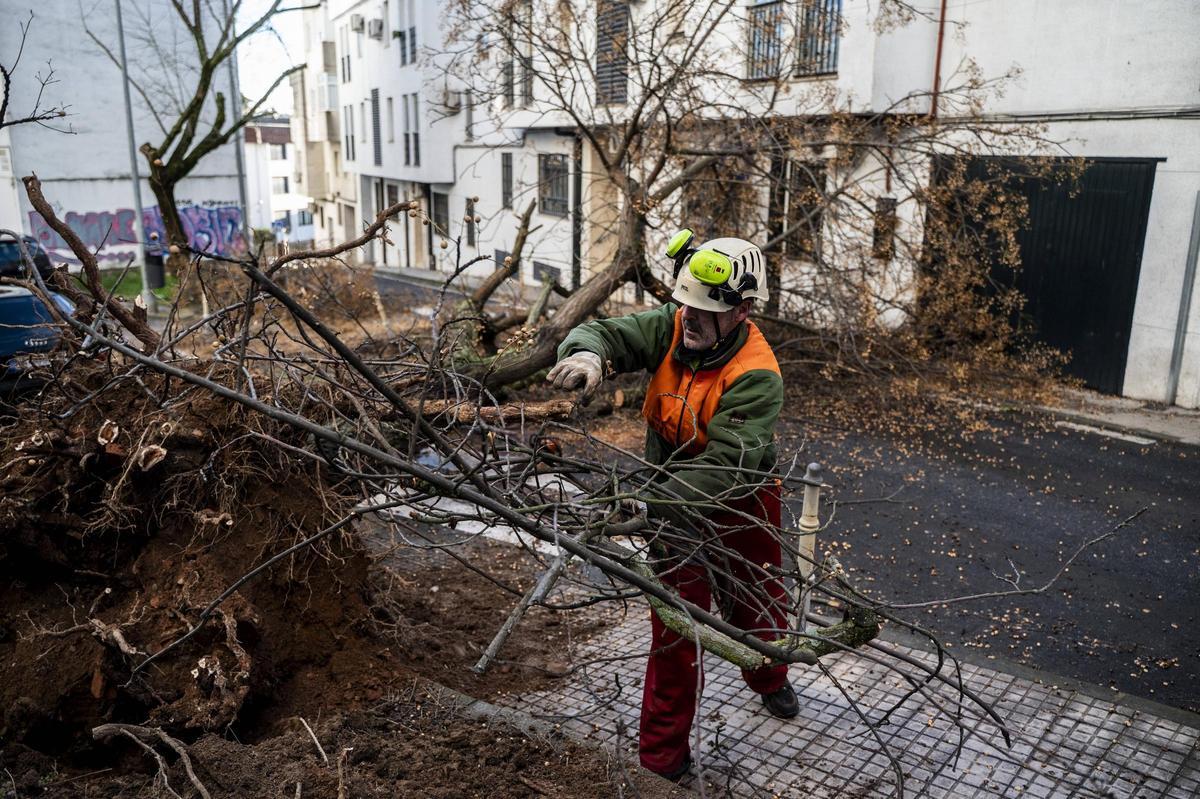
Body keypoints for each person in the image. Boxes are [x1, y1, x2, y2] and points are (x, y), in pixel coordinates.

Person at [546, 231, 797, 781]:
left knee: (757, 599)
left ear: (743, 310)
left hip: (740, 502)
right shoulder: (674, 323)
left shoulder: (756, 374)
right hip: (669, 502)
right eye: (686, 305)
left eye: (706, 311)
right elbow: (610, 331)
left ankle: (771, 677)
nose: (691, 320)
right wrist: (589, 353)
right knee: (676, 628)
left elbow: (729, 467)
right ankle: (661, 760)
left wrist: (646, 501)